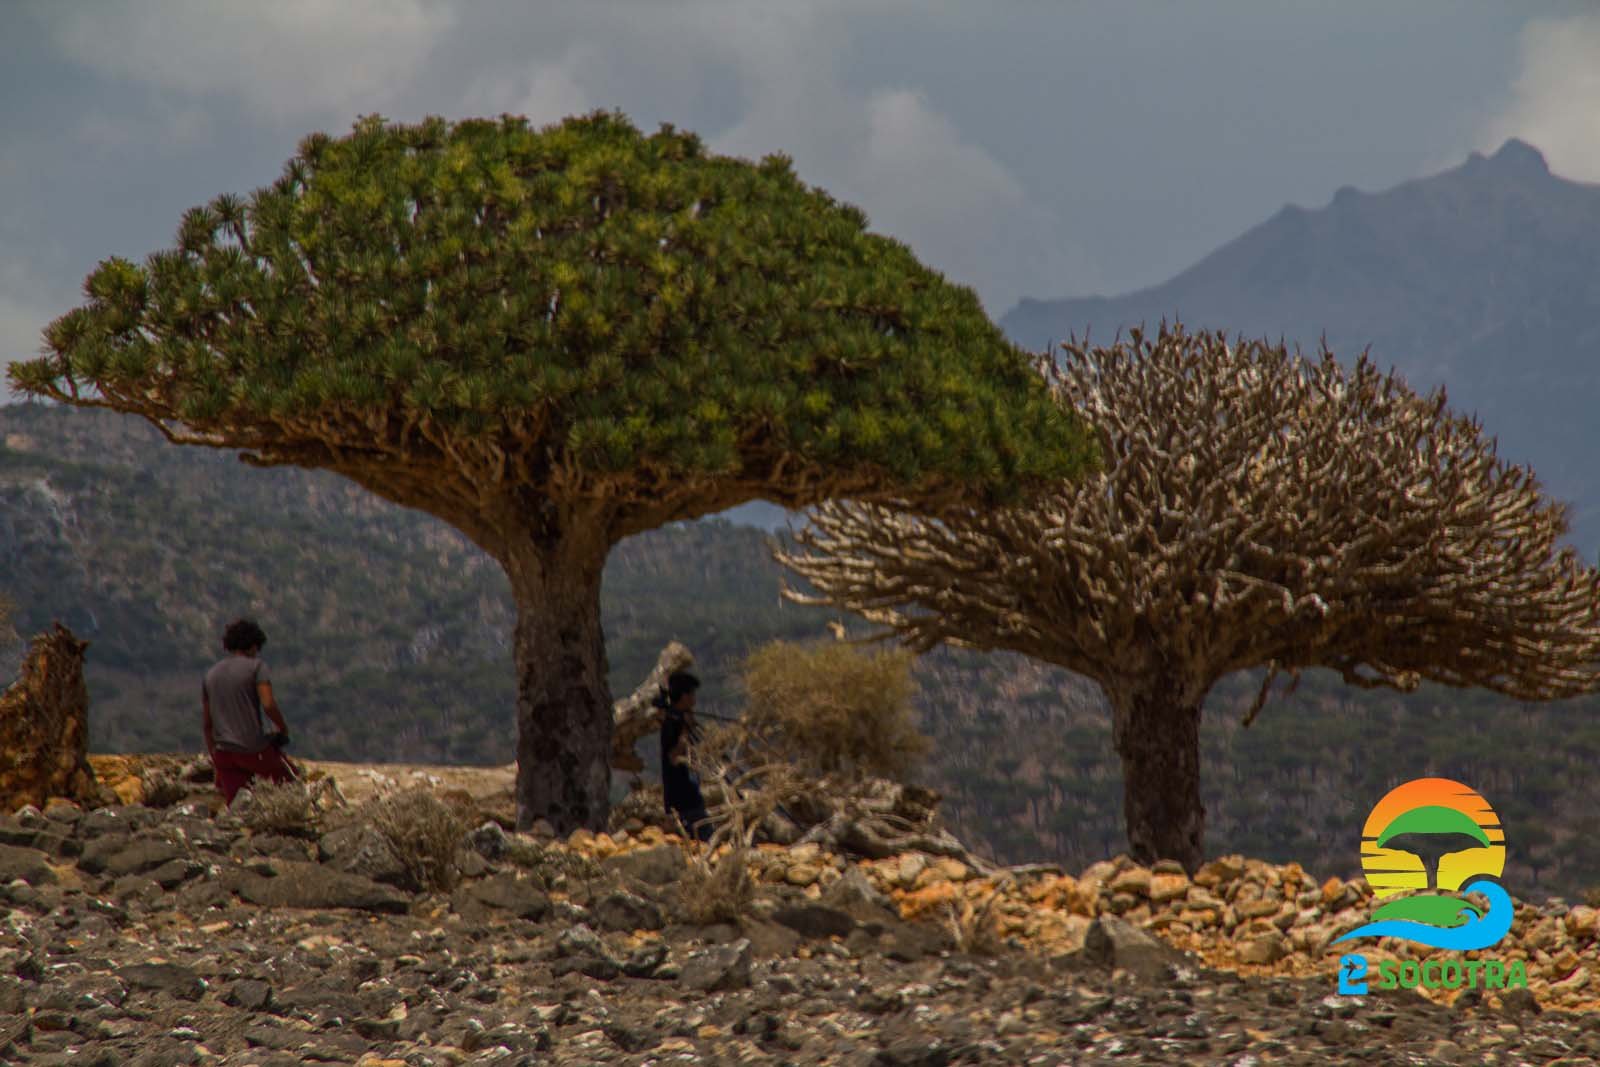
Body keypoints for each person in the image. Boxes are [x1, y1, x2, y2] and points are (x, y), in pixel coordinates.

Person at [202, 618, 295, 805]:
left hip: (223, 754)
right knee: (291, 788)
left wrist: (216, 758)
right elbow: (268, 705)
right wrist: (283, 729)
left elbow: (207, 724)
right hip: (253, 749)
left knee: (238, 806)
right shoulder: (257, 667)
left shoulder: (210, 675)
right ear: (253, 646)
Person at [657, 670, 712, 842]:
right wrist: (685, 731)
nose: (694, 698)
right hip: (681, 799)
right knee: (702, 837)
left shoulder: (678, 719)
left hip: (688, 794)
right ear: (684, 696)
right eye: (692, 693)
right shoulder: (671, 724)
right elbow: (673, 756)